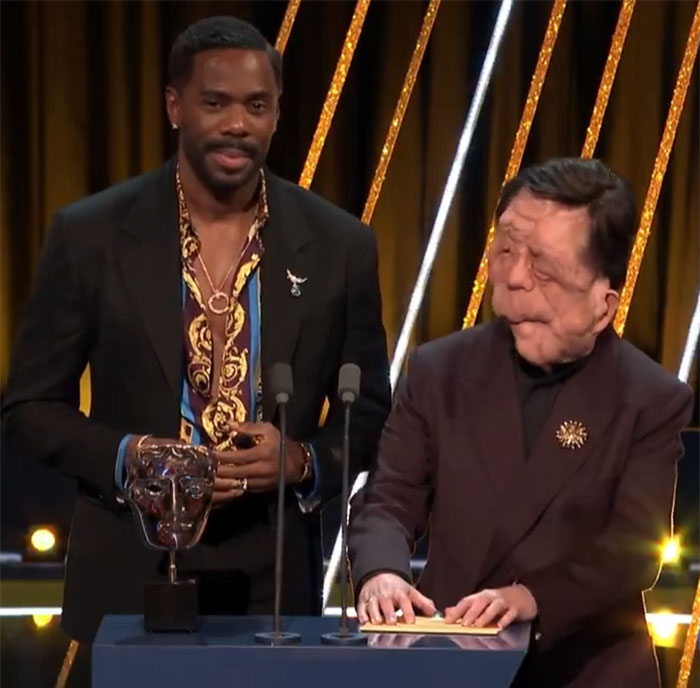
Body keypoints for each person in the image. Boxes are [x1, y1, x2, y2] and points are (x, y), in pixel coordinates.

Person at [2, 15, 391, 644]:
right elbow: (27, 408)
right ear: (175, 106)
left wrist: (302, 460)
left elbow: (372, 412)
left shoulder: (341, 245)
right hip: (130, 566)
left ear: (277, 113)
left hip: (274, 579)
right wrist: (134, 458)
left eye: (257, 105)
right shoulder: (91, 235)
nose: (238, 123)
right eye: (216, 103)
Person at [348, 158, 693, 688]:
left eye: (543, 268)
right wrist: (382, 572)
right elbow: (389, 495)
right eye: (506, 250)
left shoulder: (650, 399)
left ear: (604, 306)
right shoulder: (439, 370)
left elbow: (632, 547)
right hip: (450, 663)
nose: (512, 279)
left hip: (584, 670)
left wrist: (529, 597)